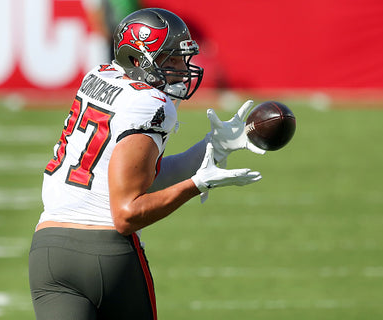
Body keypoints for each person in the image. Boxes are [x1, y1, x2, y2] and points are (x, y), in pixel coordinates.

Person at [28, 8, 265, 320]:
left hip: (48, 253)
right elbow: (126, 214)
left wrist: (212, 147)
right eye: (171, 60)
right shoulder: (151, 103)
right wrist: (196, 185)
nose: (182, 68)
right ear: (137, 60)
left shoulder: (98, 76)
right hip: (106, 253)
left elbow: (136, 177)